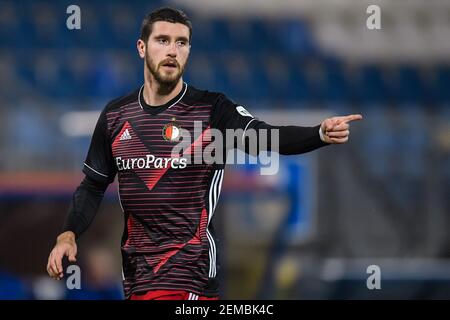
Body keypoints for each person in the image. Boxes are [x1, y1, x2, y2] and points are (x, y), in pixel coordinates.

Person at [46, 7, 362, 300]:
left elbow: (264, 137)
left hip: (188, 273)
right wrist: (68, 234)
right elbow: (93, 185)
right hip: (137, 278)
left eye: (181, 42)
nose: (172, 50)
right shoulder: (116, 116)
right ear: (142, 48)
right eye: (163, 40)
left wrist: (318, 133)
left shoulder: (211, 110)